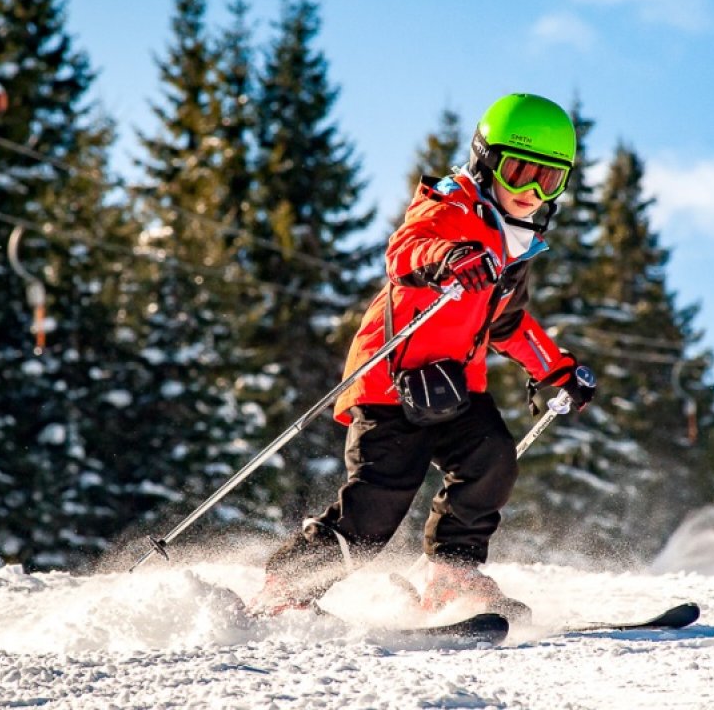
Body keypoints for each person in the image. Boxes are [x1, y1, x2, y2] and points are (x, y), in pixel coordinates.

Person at [250, 93, 597, 619]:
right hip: (391, 379)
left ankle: (452, 575)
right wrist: (449, 257)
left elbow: (506, 323)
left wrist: (557, 370)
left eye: (547, 179)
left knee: (492, 460)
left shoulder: (516, 243)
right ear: (484, 160)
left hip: (454, 386)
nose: (530, 191)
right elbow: (405, 249)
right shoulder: (448, 205)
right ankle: (287, 589)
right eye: (519, 170)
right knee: (378, 503)